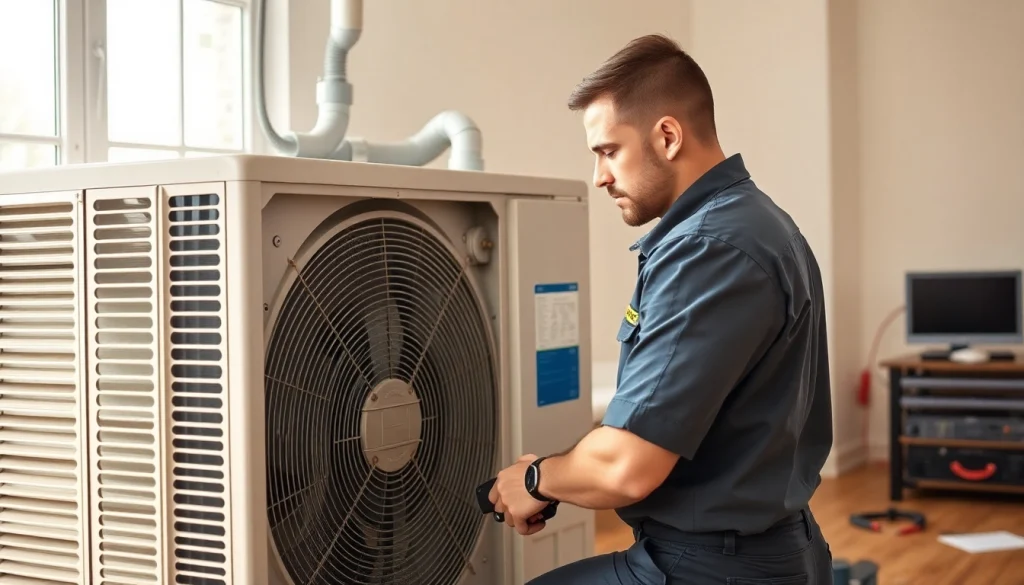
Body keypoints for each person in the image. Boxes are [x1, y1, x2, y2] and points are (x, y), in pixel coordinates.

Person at [488, 34, 835, 584]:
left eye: (608, 151)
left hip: (712, 567)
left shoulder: (709, 247)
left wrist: (535, 480)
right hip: (775, 548)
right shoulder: (759, 222)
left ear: (667, 136)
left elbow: (629, 469)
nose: (600, 177)